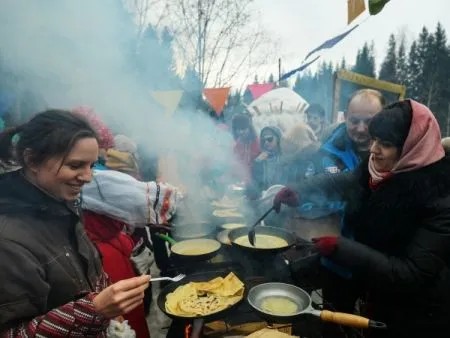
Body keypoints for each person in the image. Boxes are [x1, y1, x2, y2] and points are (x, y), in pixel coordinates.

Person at [274, 100, 450, 337]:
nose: (374, 149)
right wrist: (299, 190)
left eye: (385, 144)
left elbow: (410, 274)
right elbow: (345, 182)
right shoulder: (379, 169)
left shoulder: (439, 197)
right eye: (374, 139)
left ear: (411, 148)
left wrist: (342, 248)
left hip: (418, 313)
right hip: (379, 291)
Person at [0, 110, 150, 337]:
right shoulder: (8, 240)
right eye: (75, 165)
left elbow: (90, 267)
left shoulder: (62, 202)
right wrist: (95, 310)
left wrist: (108, 307)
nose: (88, 176)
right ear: (32, 160)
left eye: (92, 165)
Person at [320, 89, 385, 174]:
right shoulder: (327, 154)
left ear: (383, 119)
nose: (360, 129)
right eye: (354, 121)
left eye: (369, 122)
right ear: (345, 117)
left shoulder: (396, 154)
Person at [251, 126, 283, 194]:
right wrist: (257, 163)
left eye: (269, 139)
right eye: (263, 140)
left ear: (278, 139)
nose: (266, 143)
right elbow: (256, 184)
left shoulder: (285, 158)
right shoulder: (260, 159)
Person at [231, 114, 260, 182]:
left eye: (243, 129)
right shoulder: (236, 147)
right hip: (242, 181)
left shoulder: (258, 143)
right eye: (238, 129)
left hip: (257, 180)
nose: (241, 132)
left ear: (249, 128)